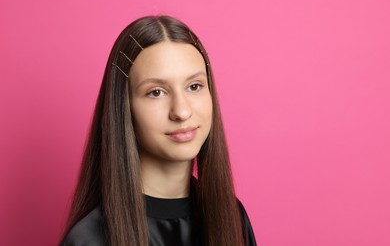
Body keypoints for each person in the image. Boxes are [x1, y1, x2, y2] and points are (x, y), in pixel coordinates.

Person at [60, 15, 256, 246]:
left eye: (194, 86)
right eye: (156, 92)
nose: (181, 112)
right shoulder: (90, 240)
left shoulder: (232, 216)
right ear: (124, 108)